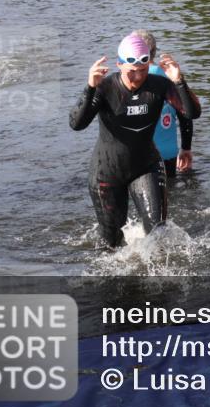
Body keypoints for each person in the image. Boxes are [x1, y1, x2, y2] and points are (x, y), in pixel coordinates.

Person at [69, 34, 201, 248]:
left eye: (143, 70)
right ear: (119, 64)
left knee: (158, 232)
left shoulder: (159, 85)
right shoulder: (105, 87)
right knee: (110, 242)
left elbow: (191, 113)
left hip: (145, 167)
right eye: (132, 71)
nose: (138, 77)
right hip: (107, 172)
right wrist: (90, 87)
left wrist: (179, 81)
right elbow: (76, 124)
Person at [132, 29, 196, 178]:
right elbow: (185, 114)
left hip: (141, 156)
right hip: (168, 153)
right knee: (168, 195)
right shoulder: (171, 76)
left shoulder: (131, 80)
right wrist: (186, 148)